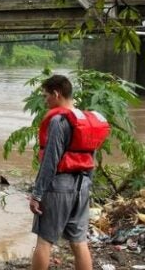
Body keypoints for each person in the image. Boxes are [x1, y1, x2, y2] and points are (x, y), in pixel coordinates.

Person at [29, 74, 109, 270]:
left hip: (58, 187)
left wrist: (37, 194)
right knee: (79, 241)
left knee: (44, 241)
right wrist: (86, 188)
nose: (45, 100)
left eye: (46, 96)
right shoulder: (85, 121)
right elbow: (91, 160)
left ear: (57, 94)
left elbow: (50, 161)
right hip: (82, 187)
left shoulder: (58, 121)